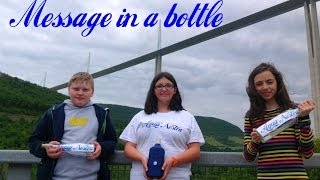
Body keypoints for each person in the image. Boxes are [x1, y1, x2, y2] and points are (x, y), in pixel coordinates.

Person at [28, 72, 117, 180]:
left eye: (85, 90)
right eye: (76, 89)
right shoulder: (54, 113)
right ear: (69, 90)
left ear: (92, 92)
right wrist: (46, 148)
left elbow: (112, 142)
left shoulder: (102, 114)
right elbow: (33, 142)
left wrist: (101, 148)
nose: (80, 93)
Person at [119, 72, 205, 180]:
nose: (164, 89)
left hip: (177, 177)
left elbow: (195, 151)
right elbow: (128, 148)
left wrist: (173, 160)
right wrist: (142, 158)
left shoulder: (187, 117)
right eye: (159, 86)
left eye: (168, 85)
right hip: (141, 176)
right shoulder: (140, 116)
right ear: (153, 90)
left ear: (174, 90)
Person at [243, 62, 316, 179]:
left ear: (278, 83)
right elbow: (248, 157)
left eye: (270, 82)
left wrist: (304, 118)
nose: (265, 87)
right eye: (259, 84)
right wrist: (255, 141)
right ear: (254, 88)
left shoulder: (295, 111)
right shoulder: (251, 116)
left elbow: (307, 153)